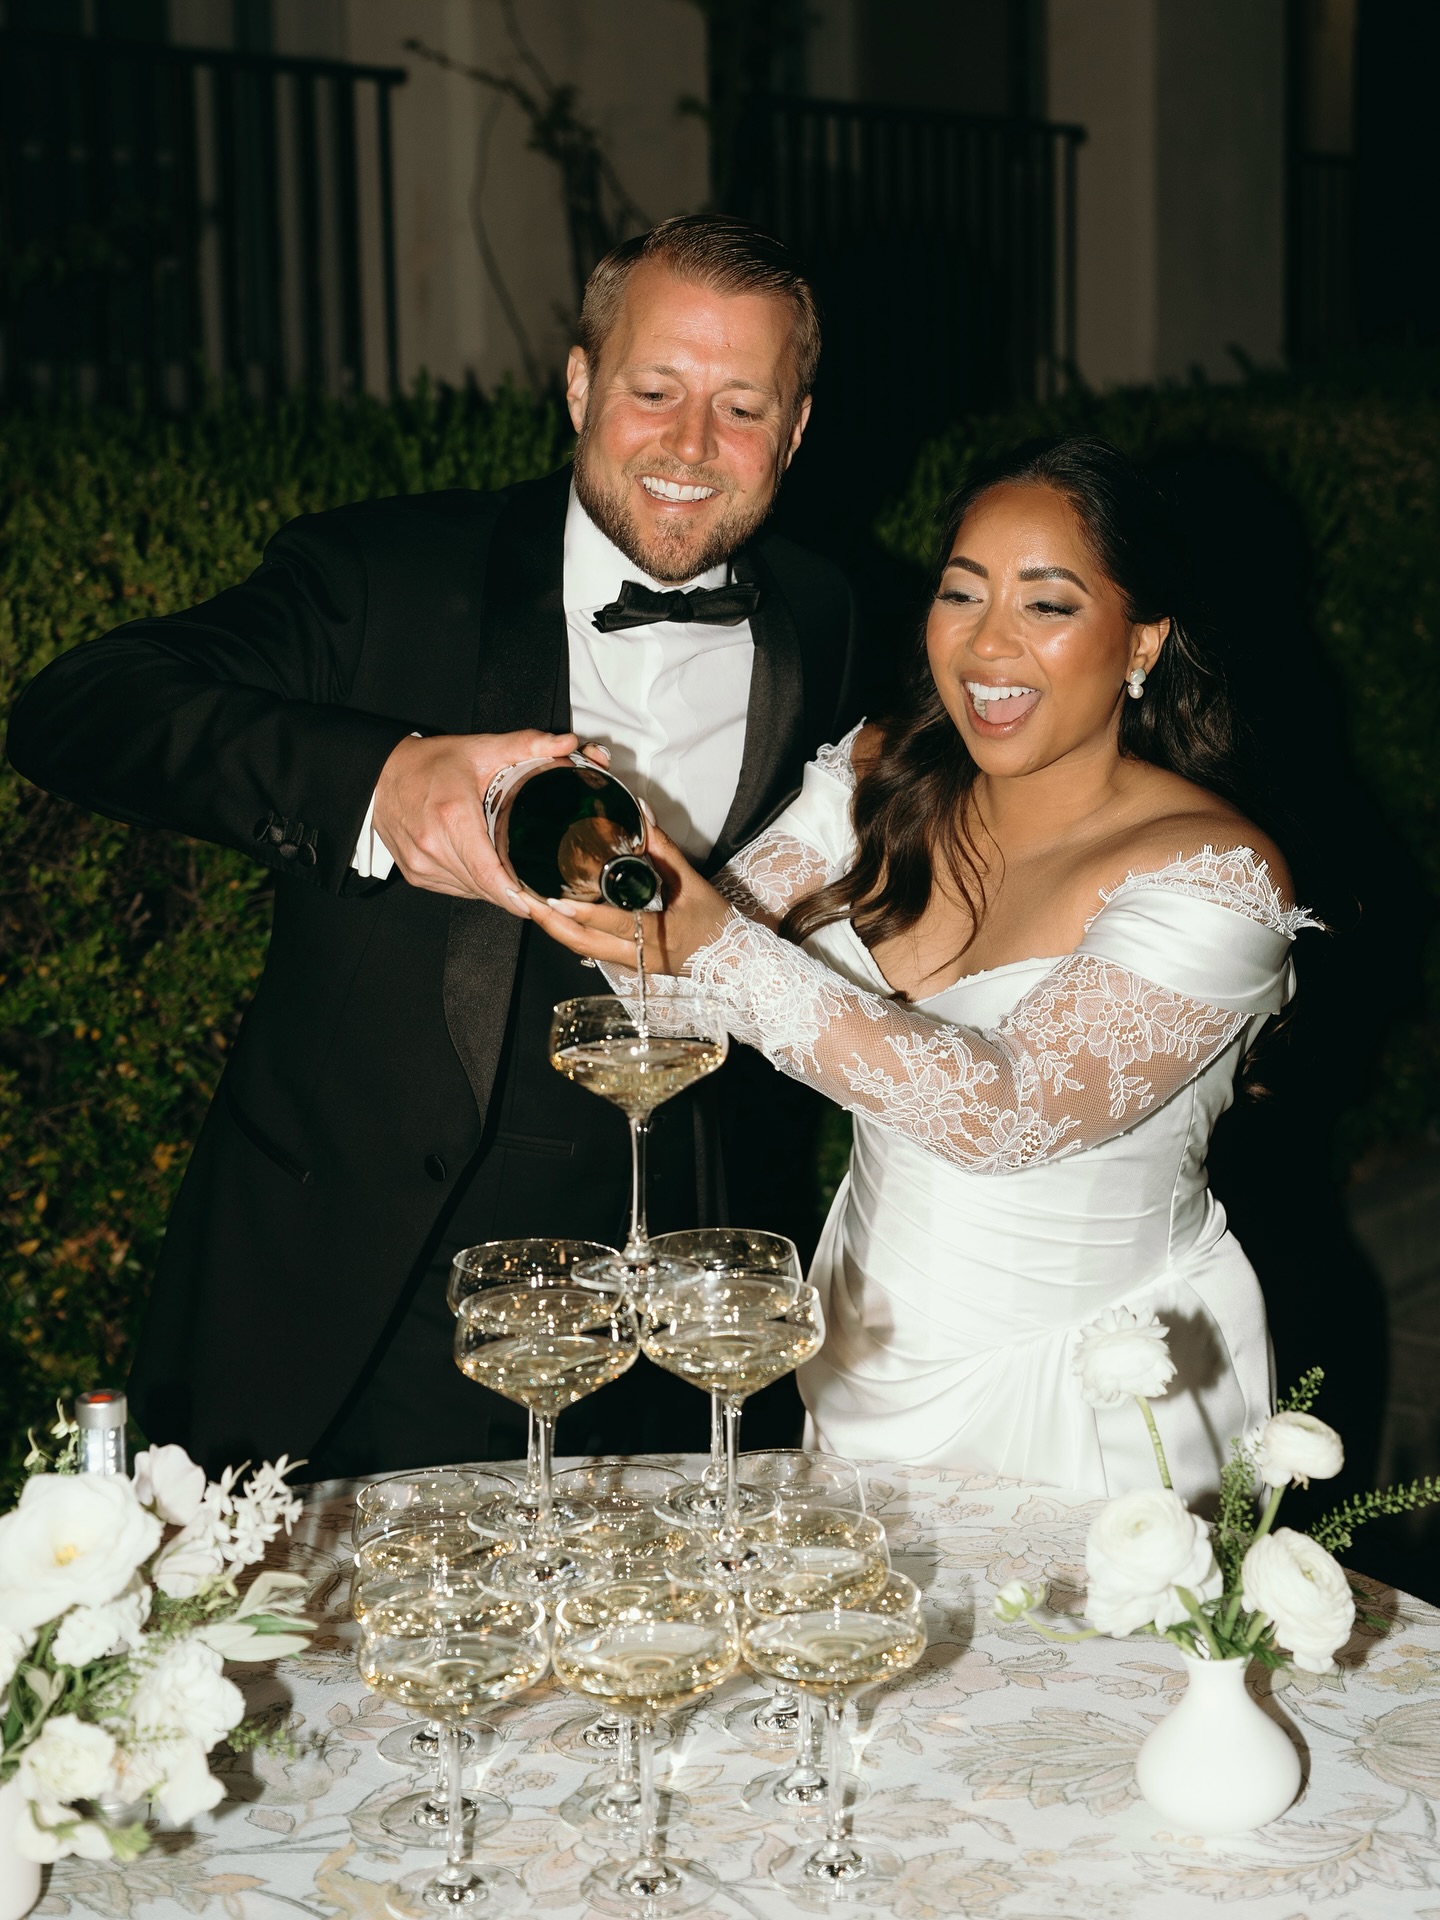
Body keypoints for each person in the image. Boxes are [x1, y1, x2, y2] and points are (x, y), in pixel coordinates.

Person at [6, 215, 857, 1477]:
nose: (691, 445)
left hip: (665, 1335)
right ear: (579, 384)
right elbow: (78, 707)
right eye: (654, 390)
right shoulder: (383, 573)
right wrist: (383, 781)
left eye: (741, 407)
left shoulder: (828, 614)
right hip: (367, 1296)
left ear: (794, 429)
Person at [522, 437, 1319, 1504]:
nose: (989, 644)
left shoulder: (1215, 874)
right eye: (962, 593)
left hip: (1092, 1389)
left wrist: (710, 943)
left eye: (1048, 605)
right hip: (861, 1360)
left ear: (1142, 642)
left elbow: (1001, 1116)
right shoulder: (883, 777)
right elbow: (667, 988)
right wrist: (581, 855)